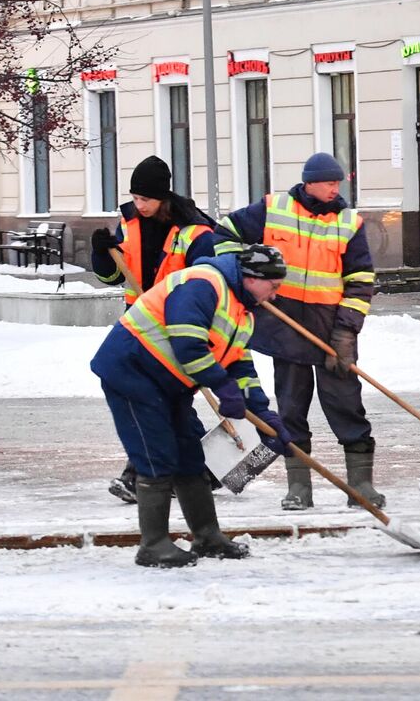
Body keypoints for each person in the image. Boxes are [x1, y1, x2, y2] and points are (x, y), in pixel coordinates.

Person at [88, 243, 293, 568]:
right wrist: (222, 387)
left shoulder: (243, 310)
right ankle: (153, 545)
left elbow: (239, 363)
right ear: (253, 277)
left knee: (190, 455)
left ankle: (207, 537)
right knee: (156, 454)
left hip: (170, 384)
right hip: (132, 371)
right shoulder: (204, 284)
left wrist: (262, 412)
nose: (276, 295)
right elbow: (188, 344)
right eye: (274, 286)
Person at [213, 152, 381, 510]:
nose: (335, 189)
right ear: (309, 183)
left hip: (331, 330)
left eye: (338, 183)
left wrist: (347, 332)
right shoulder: (274, 209)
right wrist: (244, 276)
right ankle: (298, 487)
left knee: (346, 404)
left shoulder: (349, 223)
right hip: (284, 327)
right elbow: (225, 233)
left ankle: (362, 485)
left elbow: (360, 280)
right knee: (290, 408)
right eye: (328, 183)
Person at [91, 156, 217, 506]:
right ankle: (201, 468)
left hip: (178, 326)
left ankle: (142, 475)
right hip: (139, 326)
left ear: (163, 197)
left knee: (161, 400)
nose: (139, 205)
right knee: (165, 400)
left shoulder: (194, 232)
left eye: (146, 199)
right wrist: (101, 253)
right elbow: (111, 277)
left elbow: (208, 283)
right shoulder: (129, 223)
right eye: (136, 198)